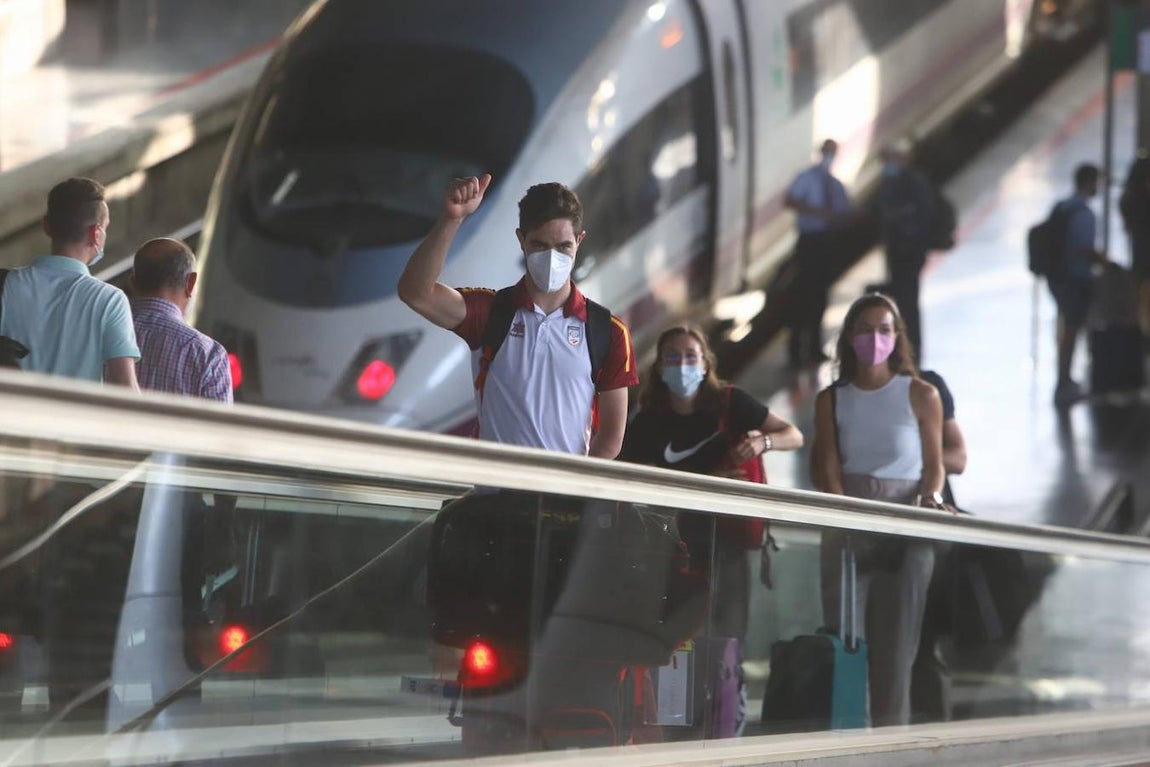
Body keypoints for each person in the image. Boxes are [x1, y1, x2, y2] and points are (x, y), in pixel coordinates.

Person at [398, 175, 638, 458]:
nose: (552, 258)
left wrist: (575, 494)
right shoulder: (491, 312)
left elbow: (611, 438)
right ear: (521, 240)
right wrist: (452, 219)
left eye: (563, 246)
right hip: (496, 495)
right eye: (539, 245)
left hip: (563, 496)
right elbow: (416, 293)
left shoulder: (606, 331)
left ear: (579, 241)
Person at [810, 292, 949, 726]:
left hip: (905, 526)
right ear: (849, 337)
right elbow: (830, 469)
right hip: (849, 521)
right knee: (846, 642)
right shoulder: (832, 399)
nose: (875, 339)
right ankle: (849, 739)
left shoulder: (921, 394)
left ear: (898, 337)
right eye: (866, 330)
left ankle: (891, 742)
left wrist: (926, 501)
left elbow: (934, 467)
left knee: (896, 650)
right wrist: (845, 519)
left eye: (884, 330)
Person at [620, 325, 803, 639]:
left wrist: (764, 443)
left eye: (691, 356)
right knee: (679, 631)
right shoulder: (650, 419)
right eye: (673, 357)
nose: (682, 365)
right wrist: (705, 482)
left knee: (727, 631)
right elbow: (631, 478)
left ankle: (727, 685)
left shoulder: (730, 403)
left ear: (705, 364)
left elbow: (793, 435)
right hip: (675, 541)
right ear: (660, 366)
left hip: (728, 538)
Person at [0, 177, 139, 388]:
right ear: (96, 233)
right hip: (76, 421)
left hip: (12, 418)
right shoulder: (110, 301)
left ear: (46, 226)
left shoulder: (5, 285)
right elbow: (124, 385)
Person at [130, 238, 233, 402]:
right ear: (190, 283)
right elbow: (219, 427)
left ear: (133, 282)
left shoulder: (100, 332)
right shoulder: (208, 354)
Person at [784, 139, 851, 367]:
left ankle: (814, 347)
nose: (828, 157)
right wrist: (819, 212)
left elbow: (844, 213)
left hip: (825, 242)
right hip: (808, 241)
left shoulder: (835, 185)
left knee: (820, 296)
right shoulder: (806, 178)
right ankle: (795, 350)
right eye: (826, 152)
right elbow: (790, 200)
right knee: (802, 295)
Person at [1050, 163, 1106, 406]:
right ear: (1089, 182)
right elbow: (1083, 251)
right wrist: (1105, 262)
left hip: (1058, 278)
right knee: (1072, 332)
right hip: (1076, 280)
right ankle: (1064, 384)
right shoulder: (1084, 214)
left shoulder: (1062, 208)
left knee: (1067, 330)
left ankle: (1065, 380)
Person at [874, 140, 935, 360]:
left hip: (909, 250)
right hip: (899, 249)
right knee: (903, 299)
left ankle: (911, 349)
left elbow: (918, 215)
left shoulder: (911, 182)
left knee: (908, 300)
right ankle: (906, 346)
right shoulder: (892, 180)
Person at [1118, 155, 1150, 344]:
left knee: (1140, 300)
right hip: (1145, 262)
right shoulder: (1142, 205)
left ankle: (1141, 338)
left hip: (1140, 261)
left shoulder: (1129, 202)